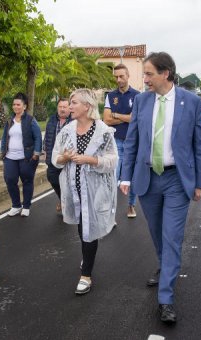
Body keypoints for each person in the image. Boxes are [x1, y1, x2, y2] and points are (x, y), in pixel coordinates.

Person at [120, 52, 201, 324]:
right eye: (144, 74)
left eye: (148, 74)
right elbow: (132, 141)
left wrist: (200, 183)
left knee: (171, 236)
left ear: (165, 74)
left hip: (175, 180)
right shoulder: (142, 101)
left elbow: (199, 145)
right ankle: (165, 266)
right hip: (147, 177)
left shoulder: (191, 102)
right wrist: (125, 177)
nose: (143, 79)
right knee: (157, 233)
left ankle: (166, 298)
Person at [51, 88, 118, 295]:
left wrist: (90, 160)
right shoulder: (67, 131)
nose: (70, 106)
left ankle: (86, 275)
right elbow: (56, 157)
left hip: (95, 190)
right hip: (74, 189)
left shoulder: (103, 132)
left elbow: (112, 161)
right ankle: (87, 255)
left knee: (90, 229)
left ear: (87, 106)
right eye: (70, 103)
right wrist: (65, 158)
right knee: (82, 227)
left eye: (74, 103)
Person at [103, 64, 140, 218]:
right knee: (113, 177)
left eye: (121, 76)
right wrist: (126, 118)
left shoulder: (138, 96)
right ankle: (111, 211)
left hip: (133, 142)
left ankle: (131, 205)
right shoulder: (110, 96)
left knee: (131, 176)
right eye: (116, 77)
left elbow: (136, 119)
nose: (118, 80)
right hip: (116, 142)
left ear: (128, 75)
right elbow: (106, 120)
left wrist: (116, 115)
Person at [0, 92, 43, 217]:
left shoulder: (30, 120)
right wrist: (3, 151)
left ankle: (26, 206)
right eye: (14, 104)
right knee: (10, 180)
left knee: (27, 181)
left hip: (26, 158)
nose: (15, 107)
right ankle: (16, 205)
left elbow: (38, 137)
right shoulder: (9, 121)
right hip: (10, 157)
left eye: (18, 104)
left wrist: (36, 153)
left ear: (24, 106)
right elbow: (4, 137)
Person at [44, 98, 73, 213]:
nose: (62, 109)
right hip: (54, 158)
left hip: (68, 159)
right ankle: (63, 199)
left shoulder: (74, 121)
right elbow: (47, 136)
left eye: (64, 107)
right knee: (52, 178)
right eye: (60, 107)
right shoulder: (52, 120)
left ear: (69, 108)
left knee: (68, 183)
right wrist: (45, 150)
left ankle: (67, 202)